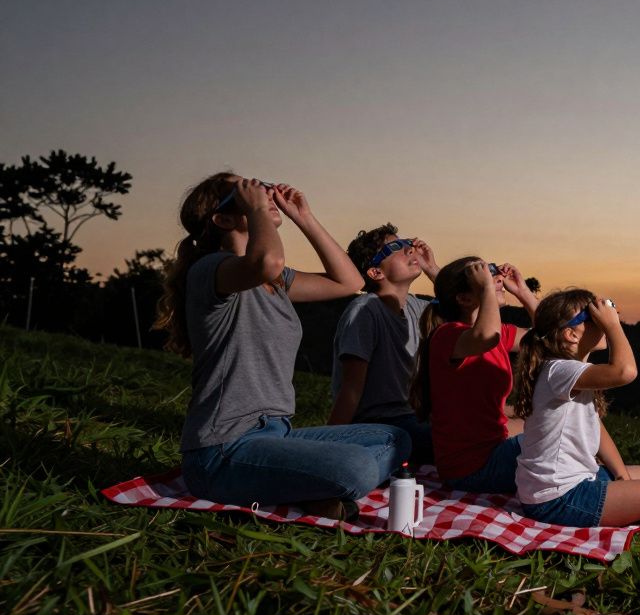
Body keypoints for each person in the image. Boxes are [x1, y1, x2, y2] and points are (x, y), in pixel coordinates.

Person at [155, 174, 410, 519]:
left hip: (276, 436)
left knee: (394, 438)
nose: (263, 193)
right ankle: (314, 487)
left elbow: (349, 281)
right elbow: (264, 262)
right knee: (357, 468)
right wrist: (261, 207)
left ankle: (305, 485)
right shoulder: (210, 269)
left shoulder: (275, 281)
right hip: (221, 451)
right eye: (246, 190)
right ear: (224, 218)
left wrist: (303, 217)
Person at [513, 289, 640, 527]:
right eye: (592, 317)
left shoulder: (570, 370)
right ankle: (635, 511)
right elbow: (625, 372)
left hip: (574, 480)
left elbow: (595, 428)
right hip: (555, 497)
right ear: (571, 334)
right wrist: (613, 326)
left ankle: (633, 508)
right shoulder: (559, 370)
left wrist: (622, 477)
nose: (601, 319)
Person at [328, 224, 439, 466]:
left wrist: (432, 269)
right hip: (374, 426)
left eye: (407, 243)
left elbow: (459, 307)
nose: (410, 249)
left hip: (410, 419)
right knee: (451, 442)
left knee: (464, 431)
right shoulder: (365, 311)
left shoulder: (416, 308)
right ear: (376, 272)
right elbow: (351, 390)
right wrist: (327, 449)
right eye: (397, 247)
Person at [425, 256, 538, 493]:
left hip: (492, 450)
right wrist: (488, 286)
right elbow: (487, 335)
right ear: (464, 298)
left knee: (564, 433)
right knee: (563, 443)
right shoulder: (447, 335)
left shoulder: (498, 334)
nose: (496, 279)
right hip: (471, 469)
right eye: (485, 274)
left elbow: (550, 338)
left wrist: (523, 292)